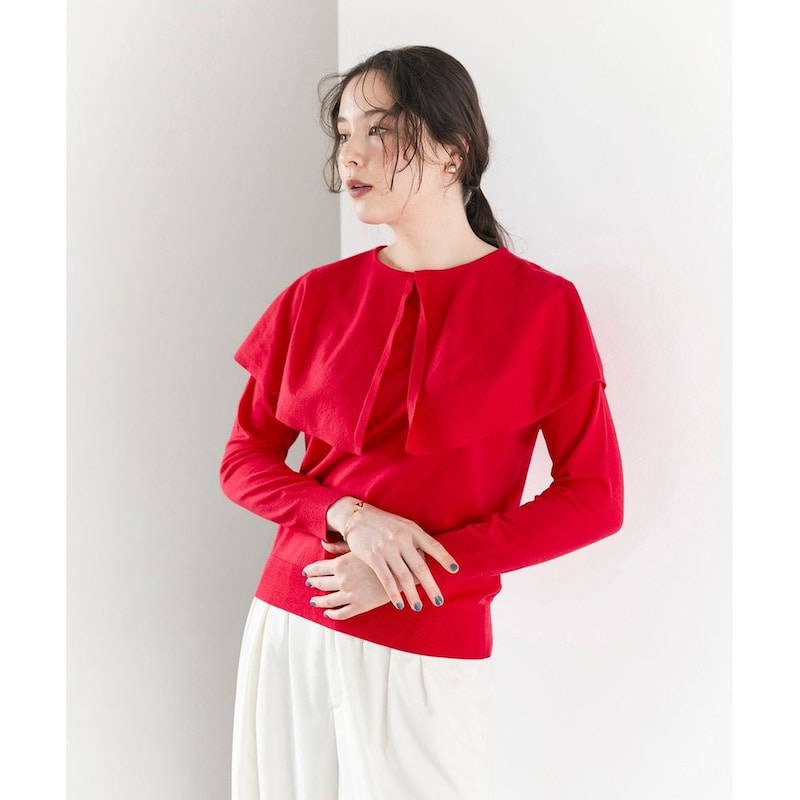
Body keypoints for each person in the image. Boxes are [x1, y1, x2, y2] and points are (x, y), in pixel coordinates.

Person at [220, 45, 623, 800]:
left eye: (379, 130)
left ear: (452, 149)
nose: (351, 156)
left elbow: (594, 499)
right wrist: (348, 514)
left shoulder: (542, 307)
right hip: (291, 626)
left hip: (427, 643)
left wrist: (418, 568)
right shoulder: (315, 295)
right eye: (344, 133)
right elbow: (244, 459)